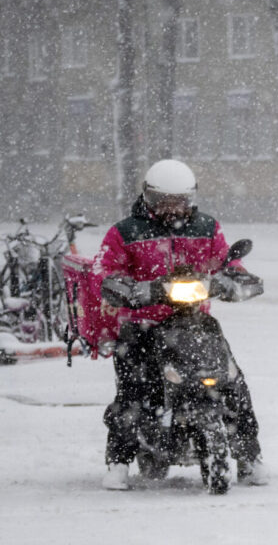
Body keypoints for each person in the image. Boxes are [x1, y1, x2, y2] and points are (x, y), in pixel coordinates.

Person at [93, 159, 267, 490]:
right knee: (132, 388)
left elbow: (227, 262)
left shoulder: (207, 228)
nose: (173, 208)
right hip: (145, 321)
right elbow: (105, 269)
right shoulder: (125, 232)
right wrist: (126, 288)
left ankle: (249, 456)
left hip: (194, 320)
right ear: (149, 197)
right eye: (164, 201)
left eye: (180, 201)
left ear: (191, 199)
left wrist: (236, 279)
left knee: (233, 381)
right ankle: (118, 461)